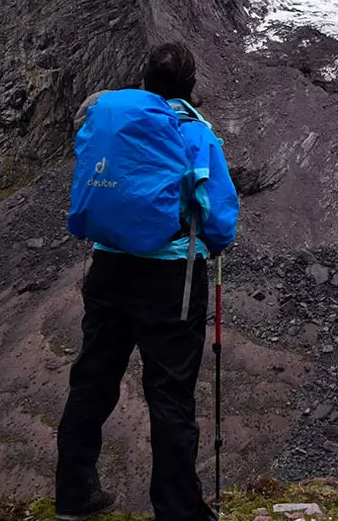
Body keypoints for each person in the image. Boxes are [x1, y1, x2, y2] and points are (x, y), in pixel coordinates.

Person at [56, 42, 240, 521]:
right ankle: (178, 510)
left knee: (92, 379)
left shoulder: (113, 120)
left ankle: (74, 496)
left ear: (144, 79)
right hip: (169, 278)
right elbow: (219, 216)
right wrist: (215, 244)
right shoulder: (194, 131)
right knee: (170, 394)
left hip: (109, 267)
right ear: (190, 86)